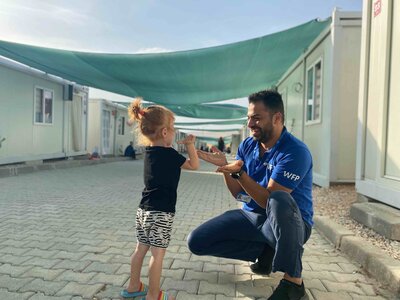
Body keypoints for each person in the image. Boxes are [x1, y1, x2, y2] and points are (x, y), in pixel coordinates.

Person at [187, 89, 313, 300]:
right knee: (197, 241)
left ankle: (294, 285)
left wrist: (240, 173)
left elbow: (269, 201)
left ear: (277, 118)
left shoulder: (295, 151)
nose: (250, 124)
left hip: (290, 224)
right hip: (251, 216)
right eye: (248, 118)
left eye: (256, 118)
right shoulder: (248, 145)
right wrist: (227, 170)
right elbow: (239, 195)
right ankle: (266, 253)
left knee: (279, 199)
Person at [120, 98, 199, 300]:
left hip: (143, 210)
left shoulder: (149, 153)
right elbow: (194, 165)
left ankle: (133, 286)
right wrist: (190, 144)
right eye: (172, 128)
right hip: (161, 212)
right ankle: (154, 295)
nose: (173, 131)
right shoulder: (170, 154)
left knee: (140, 250)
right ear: (165, 132)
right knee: (158, 254)